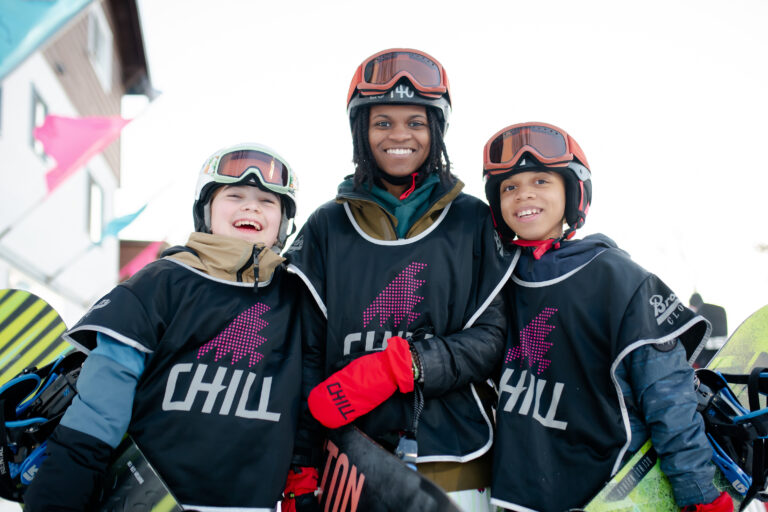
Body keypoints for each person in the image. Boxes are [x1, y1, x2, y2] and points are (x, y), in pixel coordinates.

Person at [23, 143, 324, 511]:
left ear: (284, 223)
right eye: (234, 195)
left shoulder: (298, 299)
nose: (250, 206)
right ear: (205, 210)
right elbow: (98, 413)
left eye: (267, 201)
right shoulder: (161, 284)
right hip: (149, 501)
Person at [284, 48, 514, 509]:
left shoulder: (473, 219)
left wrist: (400, 367)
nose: (399, 135)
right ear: (361, 131)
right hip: (349, 464)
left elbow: (493, 338)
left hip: (457, 459)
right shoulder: (327, 226)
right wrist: (301, 464)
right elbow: (307, 354)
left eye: (416, 121)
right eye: (382, 122)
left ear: (437, 128)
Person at [481, 122, 733, 512]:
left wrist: (698, 494)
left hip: (611, 491)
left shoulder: (617, 279)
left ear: (574, 191)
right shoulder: (496, 282)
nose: (524, 194)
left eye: (541, 181)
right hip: (517, 495)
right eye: (509, 187)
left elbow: (667, 394)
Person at [689, 292, 729, 367]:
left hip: (706, 353)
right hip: (722, 349)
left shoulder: (700, 312)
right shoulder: (719, 309)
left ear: (692, 305)